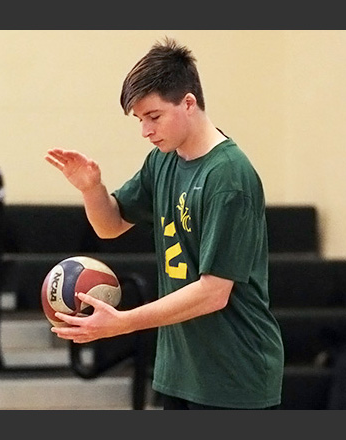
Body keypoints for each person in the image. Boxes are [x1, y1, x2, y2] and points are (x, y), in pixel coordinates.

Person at [44, 37, 284, 410]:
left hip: (233, 376)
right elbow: (110, 225)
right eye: (140, 120)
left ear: (188, 103)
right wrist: (92, 189)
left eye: (153, 117)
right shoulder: (163, 161)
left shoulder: (229, 178)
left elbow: (213, 292)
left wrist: (123, 323)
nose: (146, 131)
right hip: (180, 371)